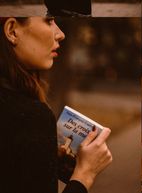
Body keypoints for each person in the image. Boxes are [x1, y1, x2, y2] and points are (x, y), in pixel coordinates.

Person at [0, 17, 112, 193]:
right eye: (49, 20)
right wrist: (85, 174)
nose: (61, 34)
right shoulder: (31, 116)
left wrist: (40, 158)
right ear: (12, 31)